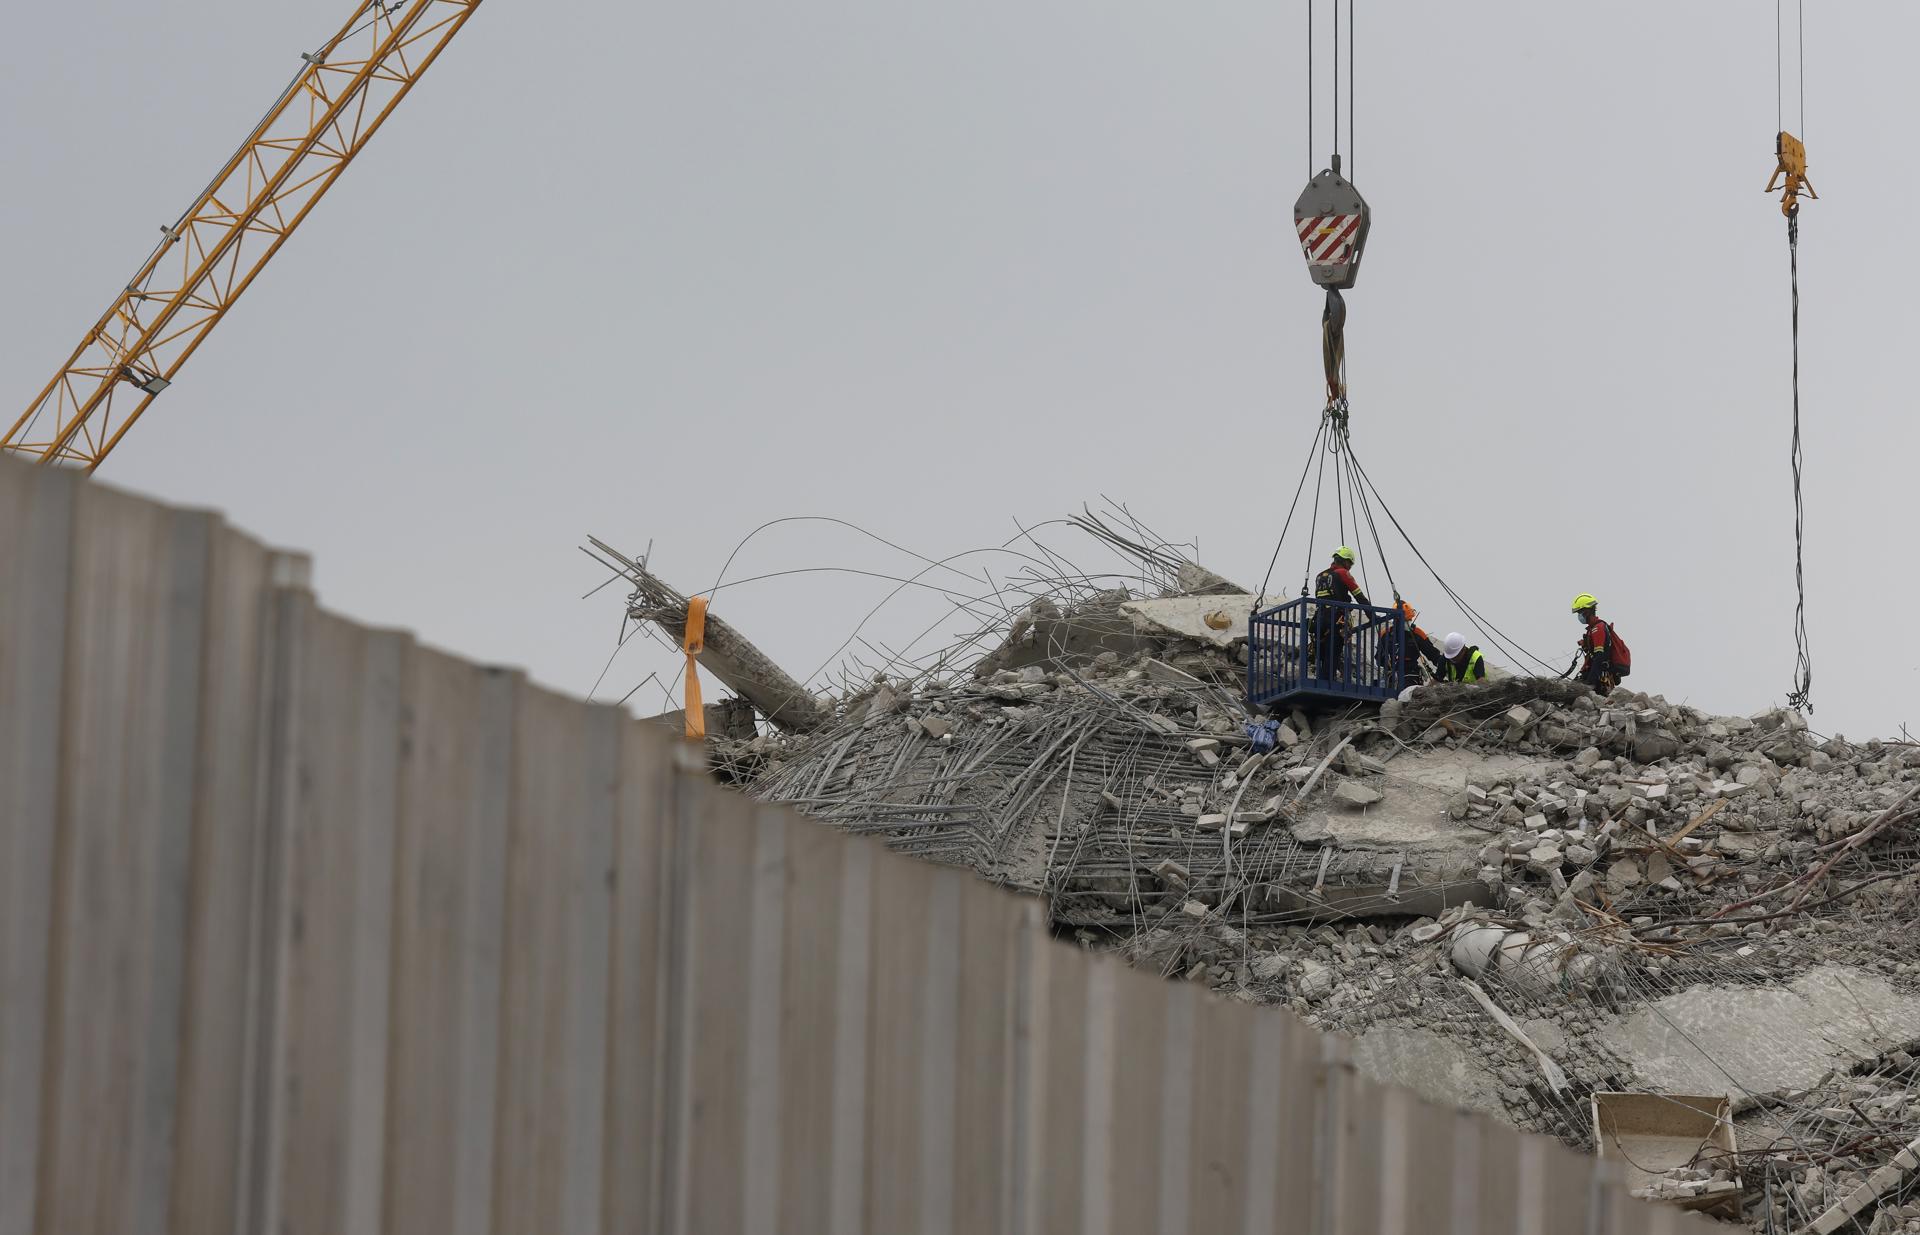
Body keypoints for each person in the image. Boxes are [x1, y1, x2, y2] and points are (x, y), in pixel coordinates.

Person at [1311, 546, 1370, 680]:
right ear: (1344, 561)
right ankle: (1327, 682)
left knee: (1323, 651)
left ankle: (1322, 679)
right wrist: (1372, 615)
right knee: (1334, 650)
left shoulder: (1320, 575)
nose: (1349, 567)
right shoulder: (1343, 573)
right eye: (1349, 563)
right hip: (1336, 618)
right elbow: (1359, 596)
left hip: (1320, 619)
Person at [1375, 599, 1445, 686]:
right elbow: (1378, 658)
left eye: (1410, 619)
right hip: (1391, 675)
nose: (1409, 622)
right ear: (1397, 620)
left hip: (1411, 674)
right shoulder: (1386, 634)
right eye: (1407, 620)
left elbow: (1433, 654)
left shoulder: (1417, 634)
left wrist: (1444, 666)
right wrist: (1387, 663)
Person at [1571, 593, 1622, 695]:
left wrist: (1590, 682)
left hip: (1599, 679)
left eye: (1580, 612)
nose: (1579, 616)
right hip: (1596, 674)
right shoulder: (1593, 629)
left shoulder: (1597, 629)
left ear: (1587, 611)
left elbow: (1600, 657)